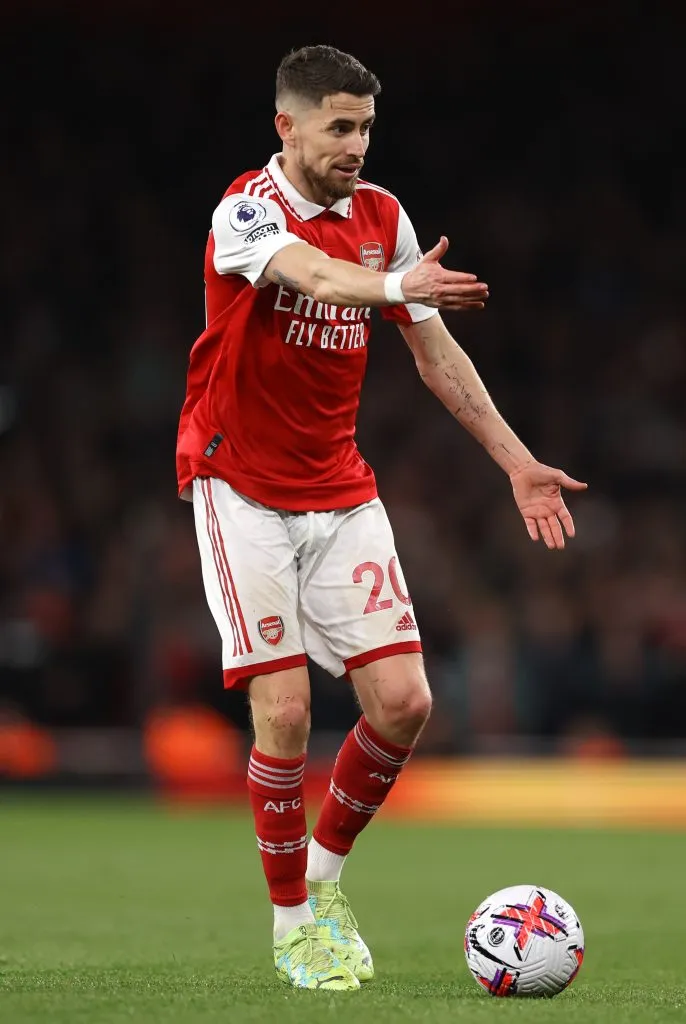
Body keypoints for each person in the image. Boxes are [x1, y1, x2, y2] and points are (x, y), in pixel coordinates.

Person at [176, 44, 587, 991]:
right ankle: (291, 929)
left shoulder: (385, 218)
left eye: (366, 127)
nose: (357, 144)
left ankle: (323, 885)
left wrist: (517, 462)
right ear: (287, 127)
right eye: (338, 127)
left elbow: (436, 357)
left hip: (340, 488)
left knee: (406, 704)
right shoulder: (246, 210)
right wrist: (403, 287)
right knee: (282, 711)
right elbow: (316, 283)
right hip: (240, 488)